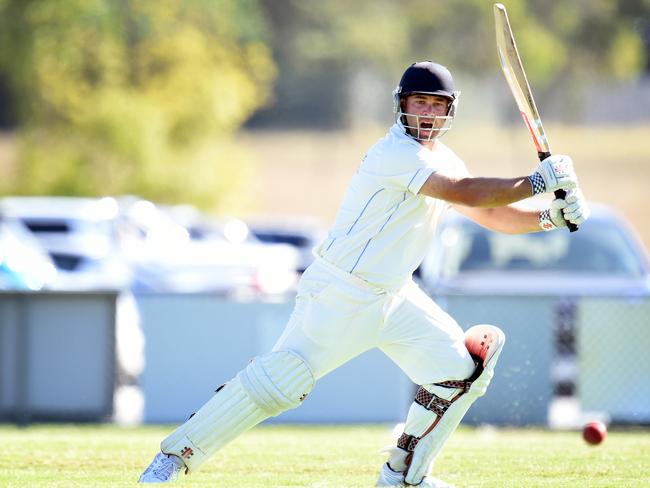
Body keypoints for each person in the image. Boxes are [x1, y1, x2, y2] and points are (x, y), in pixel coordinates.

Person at [138, 61, 590, 486]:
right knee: (280, 386)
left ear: (450, 110)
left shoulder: (445, 157)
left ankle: (404, 474)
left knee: (461, 369)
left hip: (395, 296)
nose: (428, 113)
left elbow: (491, 215)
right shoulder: (394, 153)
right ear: (402, 105)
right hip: (342, 292)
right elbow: (466, 193)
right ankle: (173, 458)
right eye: (420, 103)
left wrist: (550, 217)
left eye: (437, 105)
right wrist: (536, 181)